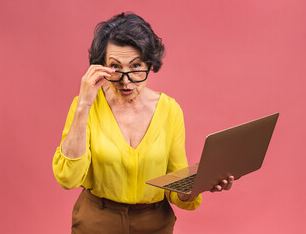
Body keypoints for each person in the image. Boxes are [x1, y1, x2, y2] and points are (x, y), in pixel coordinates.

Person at [52, 12, 234, 234]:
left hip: (155, 223)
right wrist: (83, 105)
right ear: (101, 67)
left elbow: (175, 188)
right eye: (116, 67)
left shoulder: (170, 110)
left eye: (136, 66)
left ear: (150, 63)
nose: (126, 80)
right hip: (97, 222)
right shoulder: (86, 106)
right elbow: (68, 179)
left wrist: (199, 186)